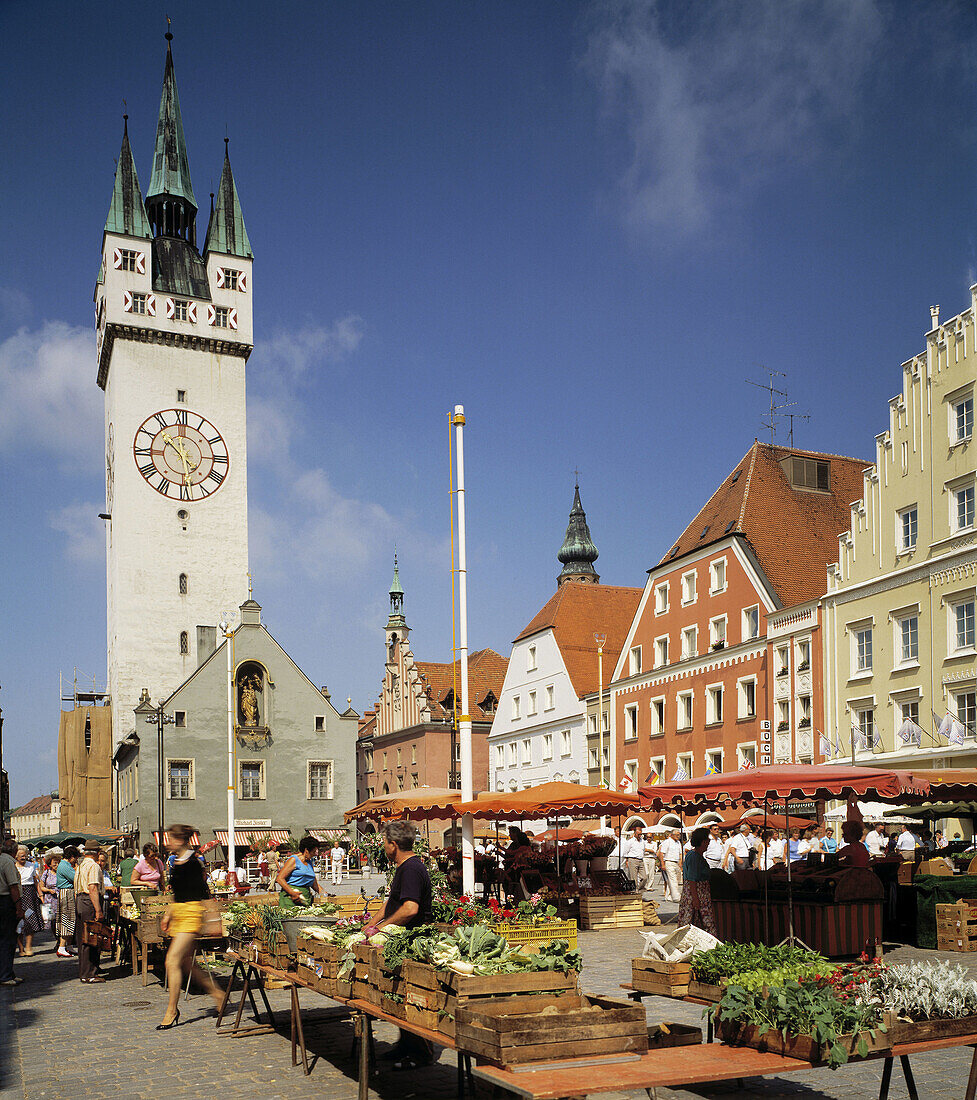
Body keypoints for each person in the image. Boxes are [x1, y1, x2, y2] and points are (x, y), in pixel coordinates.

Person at [363, 821, 433, 1069]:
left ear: (393, 845)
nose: (382, 847)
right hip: (399, 938)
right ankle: (406, 1045)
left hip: (410, 940)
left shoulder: (412, 869)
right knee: (399, 993)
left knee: (411, 995)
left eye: (384, 843)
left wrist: (381, 928)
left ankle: (421, 1050)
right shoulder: (404, 867)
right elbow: (391, 903)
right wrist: (369, 925)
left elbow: (410, 908)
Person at [157, 824, 225, 1030]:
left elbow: (204, 891)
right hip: (180, 914)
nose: (167, 842)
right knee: (186, 963)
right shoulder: (177, 861)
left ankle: (172, 1010)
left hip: (192, 914)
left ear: (179, 840)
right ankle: (218, 994)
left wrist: (214, 918)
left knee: (172, 961)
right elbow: (178, 893)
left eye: (170, 839)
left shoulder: (193, 861)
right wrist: (169, 913)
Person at [74, 841, 105, 983]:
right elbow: (92, 888)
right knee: (91, 938)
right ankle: (90, 974)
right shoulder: (93, 866)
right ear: (96, 852)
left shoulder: (80, 866)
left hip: (80, 901)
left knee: (83, 939)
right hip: (89, 902)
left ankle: (84, 972)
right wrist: (98, 910)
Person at [677, 827, 718, 936]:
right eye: (708, 840)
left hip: (699, 893)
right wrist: (696, 900)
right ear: (703, 841)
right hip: (696, 894)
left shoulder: (696, 855)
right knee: (700, 920)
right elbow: (692, 880)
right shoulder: (694, 857)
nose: (709, 842)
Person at [0, 839, 23, 986]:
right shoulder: (8, 862)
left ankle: (8, 972)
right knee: (7, 940)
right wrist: (19, 907)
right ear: (14, 851)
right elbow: (13, 887)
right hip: (6, 902)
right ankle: (5, 975)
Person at [276, 837, 323, 906]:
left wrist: (324, 894)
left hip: (305, 899)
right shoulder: (293, 860)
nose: (316, 854)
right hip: (291, 899)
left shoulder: (309, 862)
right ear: (306, 850)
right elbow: (280, 879)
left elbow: (314, 883)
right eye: (314, 851)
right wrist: (292, 893)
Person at [14, 846, 41, 956]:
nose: (24, 857)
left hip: (30, 895)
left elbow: (36, 881)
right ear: (16, 856)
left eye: (25, 855)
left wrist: (41, 894)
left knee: (30, 921)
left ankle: (29, 946)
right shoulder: (13, 867)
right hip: (18, 894)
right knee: (19, 923)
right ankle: (21, 949)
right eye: (21, 856)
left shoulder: (31, 866)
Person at [56, 846, 78, 957]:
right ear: (72, 856)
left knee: (70, 918)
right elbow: (75, 878)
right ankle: (62, 947)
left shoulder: (64, 865)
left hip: (66, 893)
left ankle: (68, 946)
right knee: (67, 919)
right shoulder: (64, 866)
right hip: (67, 893)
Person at [658, 829, 683, 903]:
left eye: (679, 835)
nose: (678, 836)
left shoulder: (678, 843)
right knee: (673, 880)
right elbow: (661, 853)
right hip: (669, 862)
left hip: (676, 863)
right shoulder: (667, 842)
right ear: (672, 835)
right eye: (677, 835)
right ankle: (676, 897)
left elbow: (680, 854)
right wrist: (662, 864)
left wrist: (680, 864)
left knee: (676, 880)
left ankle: (668, 895)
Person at [38, 854, 59, 935]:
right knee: (52, 921)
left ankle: (60, 940)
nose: (56, 865)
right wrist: (49, 890)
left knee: (59, 920)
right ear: (50, 864)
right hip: (49, 900)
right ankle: (56, 938)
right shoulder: (46, 873)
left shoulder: (60, 873)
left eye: (58, 863)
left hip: (59, 899)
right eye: (54, 863)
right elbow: (41, 886)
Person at [622, 826, 646, 891]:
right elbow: (625, 851)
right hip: (632, 859)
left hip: (641, 860)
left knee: (644, 877)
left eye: (641, 834)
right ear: (635, 833)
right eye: (638, 834)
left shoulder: (642, 841)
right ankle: (635, 891)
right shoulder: (630, 841)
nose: (640, 836)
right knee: (634, 878)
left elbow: (643, 850)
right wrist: (626, 860)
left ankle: (639, 888)